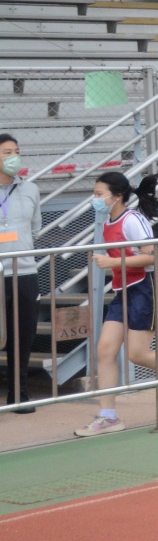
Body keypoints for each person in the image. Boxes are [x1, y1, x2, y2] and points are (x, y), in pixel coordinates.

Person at [74, 172, 158, 436]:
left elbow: (153, 255)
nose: (95, 199)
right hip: (122, 291)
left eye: (99, 194)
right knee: (105, 351)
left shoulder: (133, 220)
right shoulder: (107, 222)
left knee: (137, 354)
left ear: (117, 196)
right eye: (94, 194)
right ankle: (108, 416)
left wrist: (113, 262)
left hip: (144, 290)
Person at [0, 135, 42, 411]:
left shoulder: (30, 189)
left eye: (16, 151)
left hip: (25, 270)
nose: (14, 157)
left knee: (23, 334)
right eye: (7, 152)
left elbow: (35, 227)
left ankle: (19, 394)